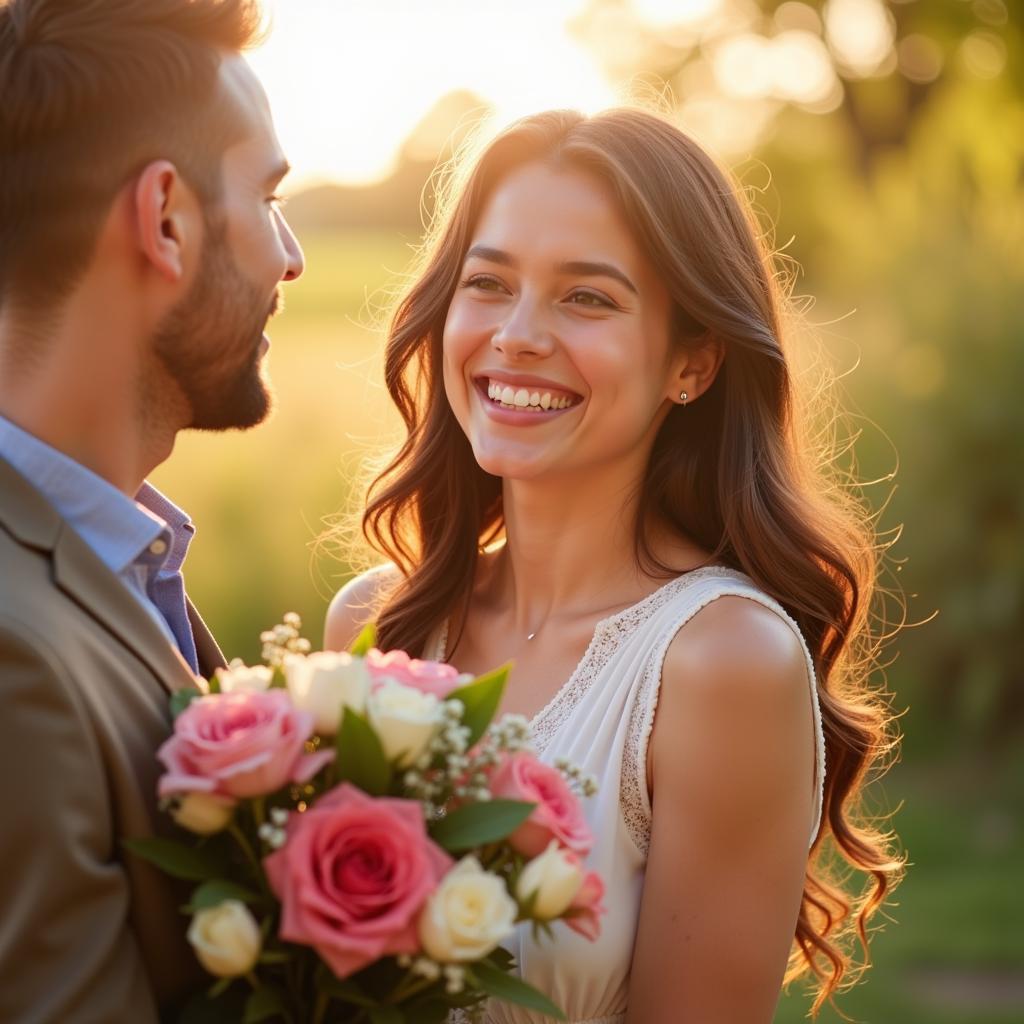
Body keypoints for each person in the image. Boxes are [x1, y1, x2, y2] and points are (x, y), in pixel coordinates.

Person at [325, 108, 903, 1022]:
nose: (516, 335)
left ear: (695, 362)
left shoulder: (722, 664)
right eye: (488, 282)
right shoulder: (373, 624)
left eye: (586, 297)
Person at [0, 1, 303, 1019]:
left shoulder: (115, 554)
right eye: (267, 198)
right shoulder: (13, 656)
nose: (290, 256)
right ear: (164, 218)